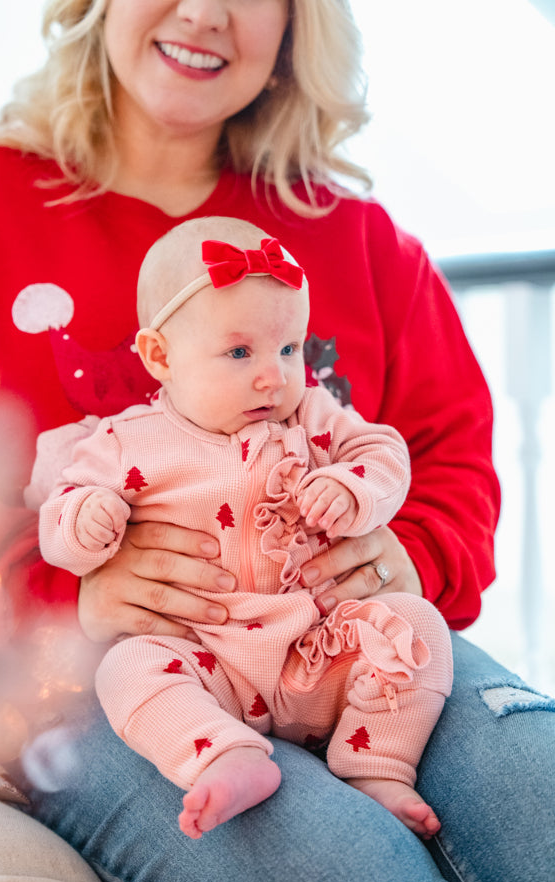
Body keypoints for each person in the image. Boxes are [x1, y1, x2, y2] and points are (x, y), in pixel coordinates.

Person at [0, 0, 553, 882]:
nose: (204, 13)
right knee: (348, 874)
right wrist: (61, 589)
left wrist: (404, 554)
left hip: (335, 637)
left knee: (538, 792)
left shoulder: (363, 242)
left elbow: (452, 456)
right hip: (89, 681)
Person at [36, 215, 453, 841]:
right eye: (240, 352)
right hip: (205, 661)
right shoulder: (125, 440)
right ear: (160, 356)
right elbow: (60, 517)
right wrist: (85, 524)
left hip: (318, 650)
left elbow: (385, 451)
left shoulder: (312, 414)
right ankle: (222, 756)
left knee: (418, 626)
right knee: (126, 668)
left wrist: (353, 488)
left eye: (289, 350)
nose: (274, 375)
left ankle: (376, 764)